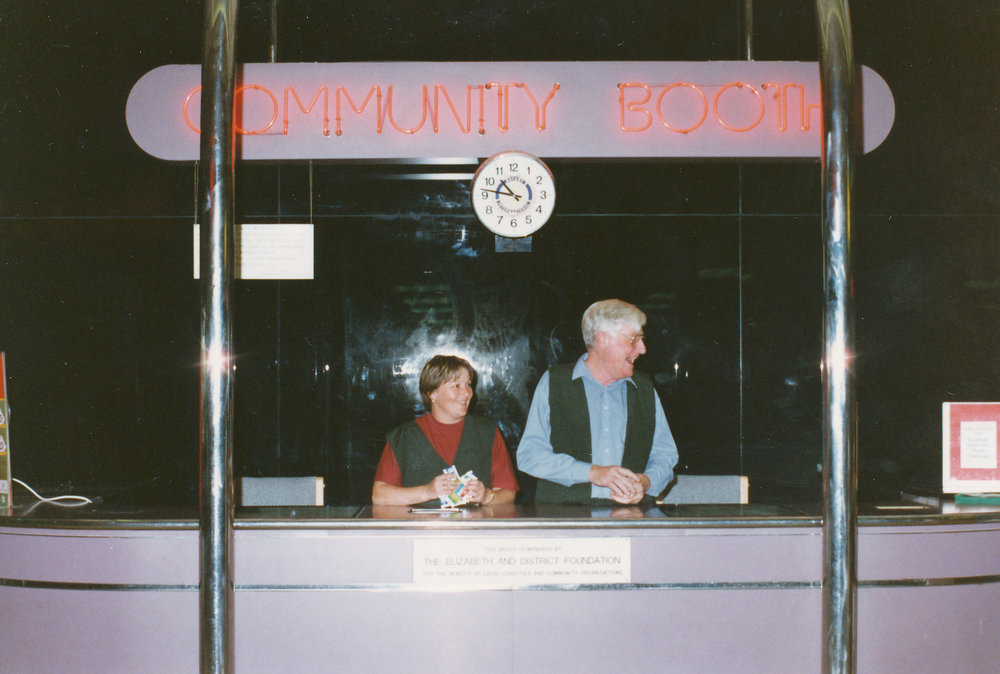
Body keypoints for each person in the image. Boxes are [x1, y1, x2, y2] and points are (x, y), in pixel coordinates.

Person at [517, 299, 679, 505]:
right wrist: (592, 473)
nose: (643, 348)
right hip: (564, 518)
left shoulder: (645, 389)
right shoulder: (555, 383)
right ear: (602, 340)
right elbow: (529, 455)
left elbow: (665, 456)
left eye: (642, 339)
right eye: (634, 339)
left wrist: (646, 482)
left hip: (632, 519)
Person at [372, 355, 518, 507]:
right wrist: (427, 492)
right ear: (432, 393)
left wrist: (488, 496)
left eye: (468, 384)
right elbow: (379, 496)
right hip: (420, 530)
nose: (467, 393)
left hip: (474, 530)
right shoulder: (404, 436)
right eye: (456, 386)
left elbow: (508, 494)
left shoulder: (488, 432)